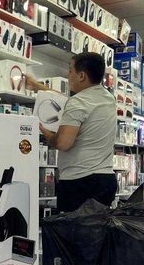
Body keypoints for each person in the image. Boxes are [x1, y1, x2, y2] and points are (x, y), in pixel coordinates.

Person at [26, 52, 117, 213]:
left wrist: (46, 132)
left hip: (80, 182)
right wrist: (38, 86)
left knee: (73, 229)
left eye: (70, 70)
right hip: (105, 180)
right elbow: (68, 102)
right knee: (97, 228)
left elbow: (63, 143)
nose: (68, 75)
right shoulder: (108, 98)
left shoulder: (78, 102)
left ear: (81, 76)